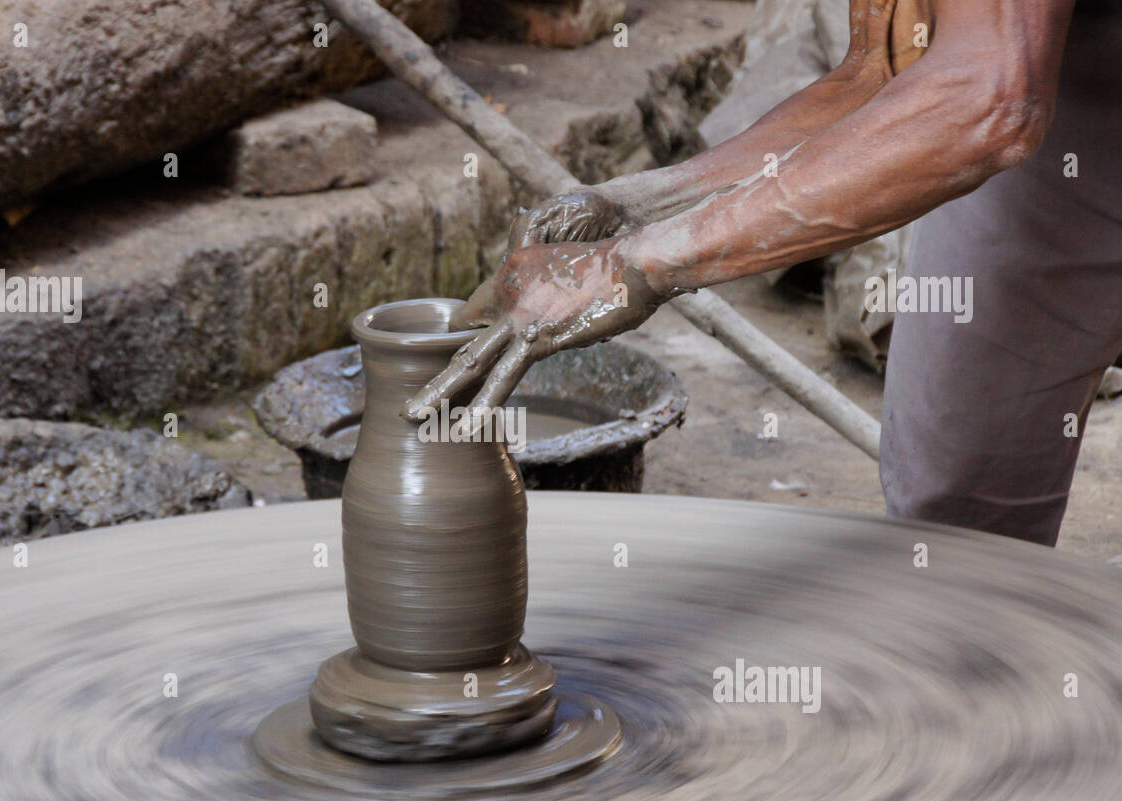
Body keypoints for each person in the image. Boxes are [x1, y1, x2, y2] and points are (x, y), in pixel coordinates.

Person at [404, 0, 1119, 547]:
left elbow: (990, 100)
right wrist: (637, 207)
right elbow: (887, 75)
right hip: (1065, 85)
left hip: (1011, 82)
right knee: (958, 500)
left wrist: (644, 266)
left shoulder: (994, 87)